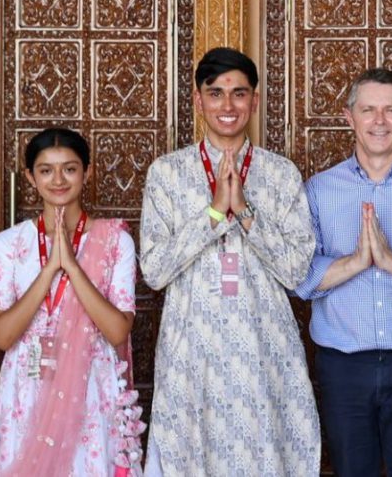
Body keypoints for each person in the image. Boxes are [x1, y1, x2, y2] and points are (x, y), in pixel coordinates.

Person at [140, 47, 320, 474]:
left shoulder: (280, 173)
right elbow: (154, 271)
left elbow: (296, 270)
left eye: (239, 94)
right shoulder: (167, 173)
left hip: (263, 349)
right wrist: (214, 214)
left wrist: (245, 212)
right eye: (215, 93)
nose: (228, 105)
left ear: (254, 101)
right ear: (198, 100)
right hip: (191, 348)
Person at [295, 68, 392, 476]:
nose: (379, 121)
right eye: (368, 110)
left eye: (390, 110)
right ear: (349, 117)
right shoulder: (318, 190)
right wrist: (356, 262)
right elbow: (300, 278)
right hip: (343, 365)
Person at [0, 128, 139, 474]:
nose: (58, 180)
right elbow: (2, 336)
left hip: (90, 390)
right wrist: (49, 271)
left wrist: (72, 267)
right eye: (46, 170)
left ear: (87, 173)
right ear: (30, 177)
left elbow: (118, 331)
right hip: (25, 389)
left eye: (70, 169)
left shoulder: (114, 241)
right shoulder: (8, 244)